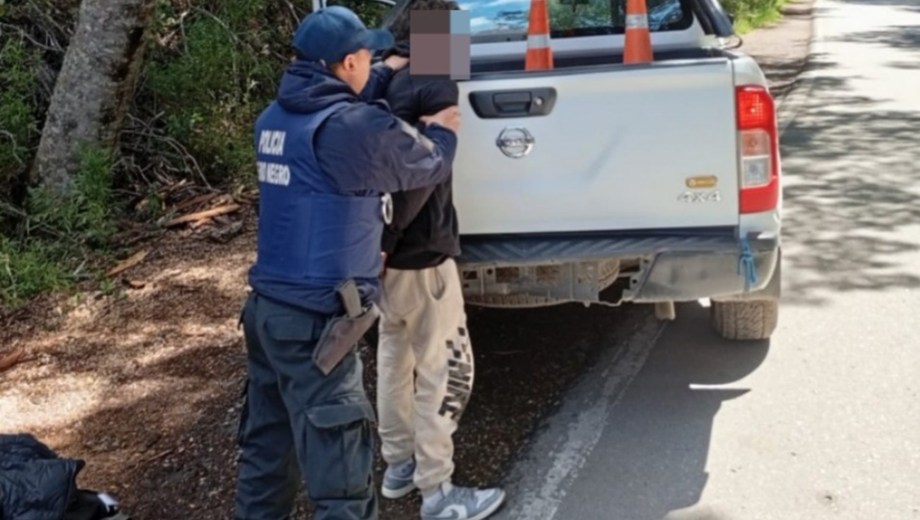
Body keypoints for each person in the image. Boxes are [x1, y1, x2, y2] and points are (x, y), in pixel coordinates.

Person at [234, 6, 461, 520]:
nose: (373, 63)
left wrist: (389, 67)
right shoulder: (351, 128)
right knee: (341, 479)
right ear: (350, 62)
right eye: (366, 56)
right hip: (317, 323)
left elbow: (338, 102)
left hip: (267, 313)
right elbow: (427, 161)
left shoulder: (275, 118)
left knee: (268, 455)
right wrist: (444, 129)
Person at [374, 2, 506, 519]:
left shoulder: (380, 79)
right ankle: (438, 491)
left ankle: (398, 465)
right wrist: (394, 237)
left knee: (394, 355)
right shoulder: (434, 83)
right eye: (457, 32)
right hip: (421, 252)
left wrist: (380, 242)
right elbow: (422, 175)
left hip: (380, 254)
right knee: (445, 366)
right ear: (439, 35)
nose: (462, 43)